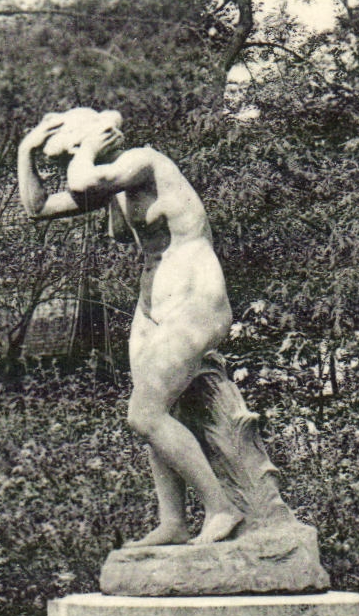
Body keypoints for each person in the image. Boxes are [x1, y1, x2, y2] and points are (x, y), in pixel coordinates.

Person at [18, 108, 243, 546]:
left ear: (97, 140)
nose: (68, 164)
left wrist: (85, 149)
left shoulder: (144, 162)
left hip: (195, 299)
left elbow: (83, 183)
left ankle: (221, 507)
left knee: (144, 415)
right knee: (158, 412)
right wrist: (26, 150)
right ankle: (173, 521)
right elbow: (38, 207)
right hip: (153, 305)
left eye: (71, 152)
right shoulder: (116, 187)